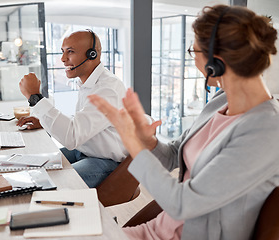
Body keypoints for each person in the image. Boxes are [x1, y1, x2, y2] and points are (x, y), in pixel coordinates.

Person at [88, 4, 279, 240]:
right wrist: (147, 141)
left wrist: (133, 146)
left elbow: (182, 204)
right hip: (159, 228)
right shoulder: (221, 101)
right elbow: (173, 155)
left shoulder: (266, 131)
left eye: (193, 50)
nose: (192, 58)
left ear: (215, 63)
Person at [18, 30, 127, 188]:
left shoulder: (107, 89)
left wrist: (35, 98)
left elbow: (72, 136)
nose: (63, 59)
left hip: (105, 162)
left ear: (92, 54)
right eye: (63, 52)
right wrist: (43, 121)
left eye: (70, 52)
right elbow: (82, 122)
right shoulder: (89, 83)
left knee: (46, 183)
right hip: (83, 151)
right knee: (32, 167)